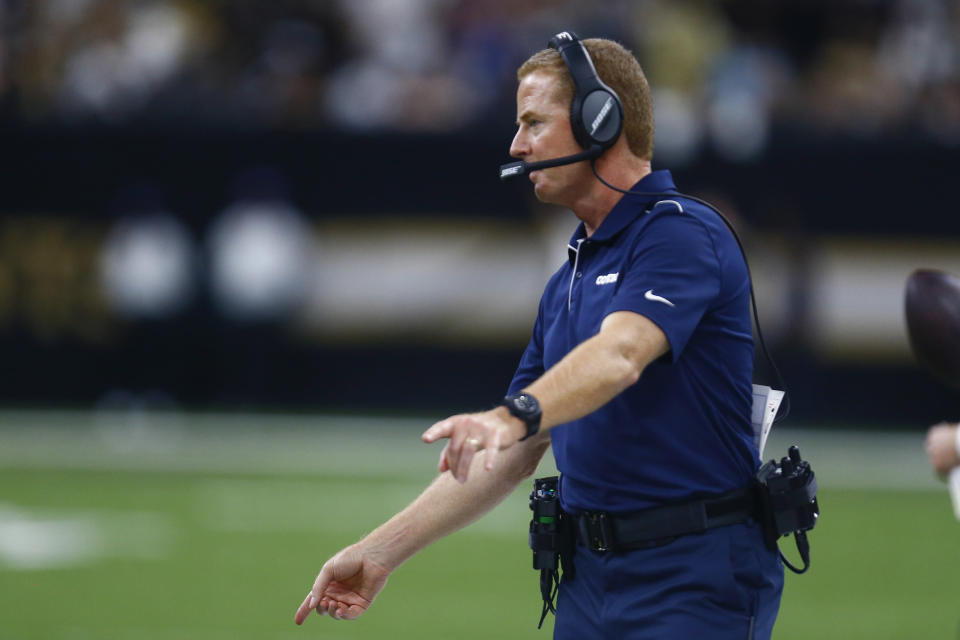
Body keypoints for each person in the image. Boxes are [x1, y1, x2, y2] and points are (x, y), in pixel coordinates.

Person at [294, 33, 783, 639]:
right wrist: (379, 552)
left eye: (533, 122)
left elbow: (622, 354)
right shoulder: (570, 276)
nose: (516, 144)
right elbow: (516, 450)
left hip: (690, 576)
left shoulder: (680, 234)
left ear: (599, 122)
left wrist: (511, 415)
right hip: (588, 579)